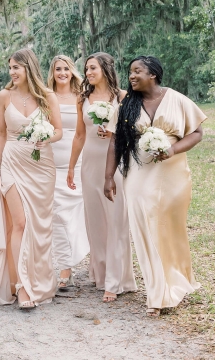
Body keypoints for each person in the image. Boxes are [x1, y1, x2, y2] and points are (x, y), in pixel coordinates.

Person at [105, 56, 206, 317]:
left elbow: (196, 133)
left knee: (169, 229)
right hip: (138, 174)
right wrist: (108, 177)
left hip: (173, 175)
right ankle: (157, 293)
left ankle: (176, 282)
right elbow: (115, 142)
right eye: (130, 72)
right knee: (145, 230)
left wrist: (172, 149)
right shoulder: (127, 104)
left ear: (153, 74)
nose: (132, 76)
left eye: (137, 71)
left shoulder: (177, 99)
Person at [0, 48, 62, 308]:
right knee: (19, 222)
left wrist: (45, 138)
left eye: (16, 67)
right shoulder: (3, 96)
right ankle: (21, 287)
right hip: (12, 161)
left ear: (28, 68)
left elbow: (58, 132)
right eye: (10, 67)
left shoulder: (47, 96)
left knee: (40, 226)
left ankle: (40, 280)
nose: (12, 72)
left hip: (41, 166)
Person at [68, 53, 136, 302]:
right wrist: (71, 168)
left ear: (106, 68)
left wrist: (113, 133)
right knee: (95, 222)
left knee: (116, 220)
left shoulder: (122, 97)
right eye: (86, 69)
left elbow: (133, 134)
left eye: (92, 68)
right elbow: (78, 135)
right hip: (90, 165)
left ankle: (116, 281)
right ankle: (102, 273)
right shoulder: (82, 98)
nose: (88, 72)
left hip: (115, 165)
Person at [47, 54, 89, 290]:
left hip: (78, 163)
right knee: (58, 216)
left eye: (66, 68)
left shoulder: (82, 97)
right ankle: (65, 268)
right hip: (51, 164)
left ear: (72, 71)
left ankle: (86, 260)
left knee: (78, 215)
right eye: (57, 69)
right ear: (52, 73)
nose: (62, 73)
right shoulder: (45, 96)